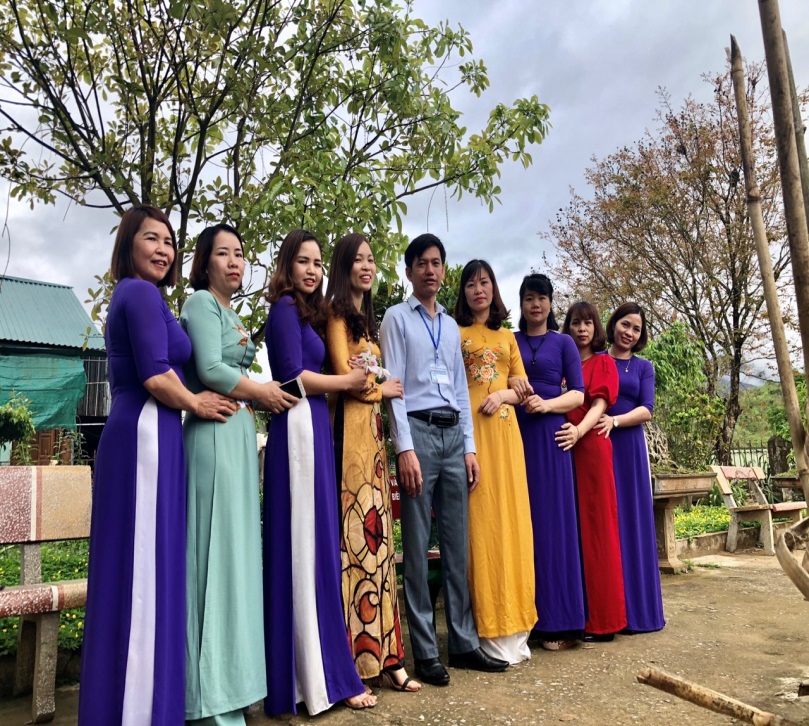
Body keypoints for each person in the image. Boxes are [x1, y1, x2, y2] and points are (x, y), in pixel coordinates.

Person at [78, 206, 236, 725]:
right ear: (128, 244)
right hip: (145, 432)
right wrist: (197, 403)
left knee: (143, 568)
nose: (164, 249)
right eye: (152, 239)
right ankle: (138, 711)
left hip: (152, 434)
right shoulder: (140, 293)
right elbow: (154, 375)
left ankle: (133, 705)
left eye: (169, 241)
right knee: (143, 572)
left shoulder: (146, 297)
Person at [181, 224, 298, 724]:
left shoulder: (230, 312)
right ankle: (208, 701)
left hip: (237, 437)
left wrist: (257, 395)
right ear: (205, 261)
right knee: (214, 558)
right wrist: (262, 391)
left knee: (236, 559)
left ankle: (232, 691)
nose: (234, 262)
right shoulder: (200, 304)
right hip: (211, 436)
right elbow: (209, 368)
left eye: (239, 254)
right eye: (223, 253)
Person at [380, 233, 508, 688]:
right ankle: (426, 652)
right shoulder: (396, 318)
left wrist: (469, 446)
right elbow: (393, 388)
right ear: (409, 270)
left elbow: (456, 386)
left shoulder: (451, 326)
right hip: (417, 431)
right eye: (423, 263)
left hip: (454, 432)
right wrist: (404, 447)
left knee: (457, 545)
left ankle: (464, 643)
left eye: (437, 263)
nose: (431, 270)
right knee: (417, 547)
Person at [262, 229, 377, 716]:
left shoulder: (308, 313)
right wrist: (347, 380)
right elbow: (291, 376)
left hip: (313, 428)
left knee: (316, 550)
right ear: (287, 266)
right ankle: (317, 677)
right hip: (297, 431)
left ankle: (315, 674)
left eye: (316, 263)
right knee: (304, 550)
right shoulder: (285, 308)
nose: (311, 270)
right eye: (302, 261)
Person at [324, 233, 421, 693]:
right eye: (358, 259)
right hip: (348, 443)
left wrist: (378, 388)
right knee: (354, 549)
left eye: (371, 259)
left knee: (379, 547)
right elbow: (343, 375)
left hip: (374, 442)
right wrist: (383, 389)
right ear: (343, 266)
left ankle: (390, 657)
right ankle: (357, 665)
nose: (366, 266)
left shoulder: (366, 320)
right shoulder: (335, 315)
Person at [453, 259, 537, 664]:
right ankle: (485, 630)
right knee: (481, 525)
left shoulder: (507, 337)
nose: (478, 290)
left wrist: (503, 395)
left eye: (484, 282)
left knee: (513, 522)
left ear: (493, 288)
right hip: (471, 435)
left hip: (506, 437)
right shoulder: (454, 333)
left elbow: (523, 387)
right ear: (464, 292)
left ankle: (516, 626)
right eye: (471, 284)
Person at [513, 273, 585, 652]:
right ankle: (523, 619)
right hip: (514, 438)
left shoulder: (564, 342)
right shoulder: (510, 340)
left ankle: (559, 621)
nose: (535, 304)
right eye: (529, 298)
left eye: (541, 298)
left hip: (552, 439)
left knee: (554, 526)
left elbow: (578, 395)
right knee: (522, 526)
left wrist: (547, 405)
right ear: (522, 303)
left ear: (551, 303)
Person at [556, 302, 627, 642]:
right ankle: (574, 615)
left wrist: (579, 432)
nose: (582, 329)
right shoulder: (562, 365)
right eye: (575, 323)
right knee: (571, 530)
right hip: (563, 450)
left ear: (596, 328)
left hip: (591, 447)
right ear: (567, 327)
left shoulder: (603, 363)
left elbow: (599, 405)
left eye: (588, 323)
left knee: (598, 529)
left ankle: (604, 620)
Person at [596, 302, 665, 633]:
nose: (629, 333)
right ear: (614, 324)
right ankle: (609, 610)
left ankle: (638, 612)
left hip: (629, 448)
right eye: (625, 324)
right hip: (599, 445)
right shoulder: (597, 359)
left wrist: (615, 421)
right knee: (606, 523)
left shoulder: (643, 367)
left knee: (633, 523)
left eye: (636, 329)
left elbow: (647, 409)